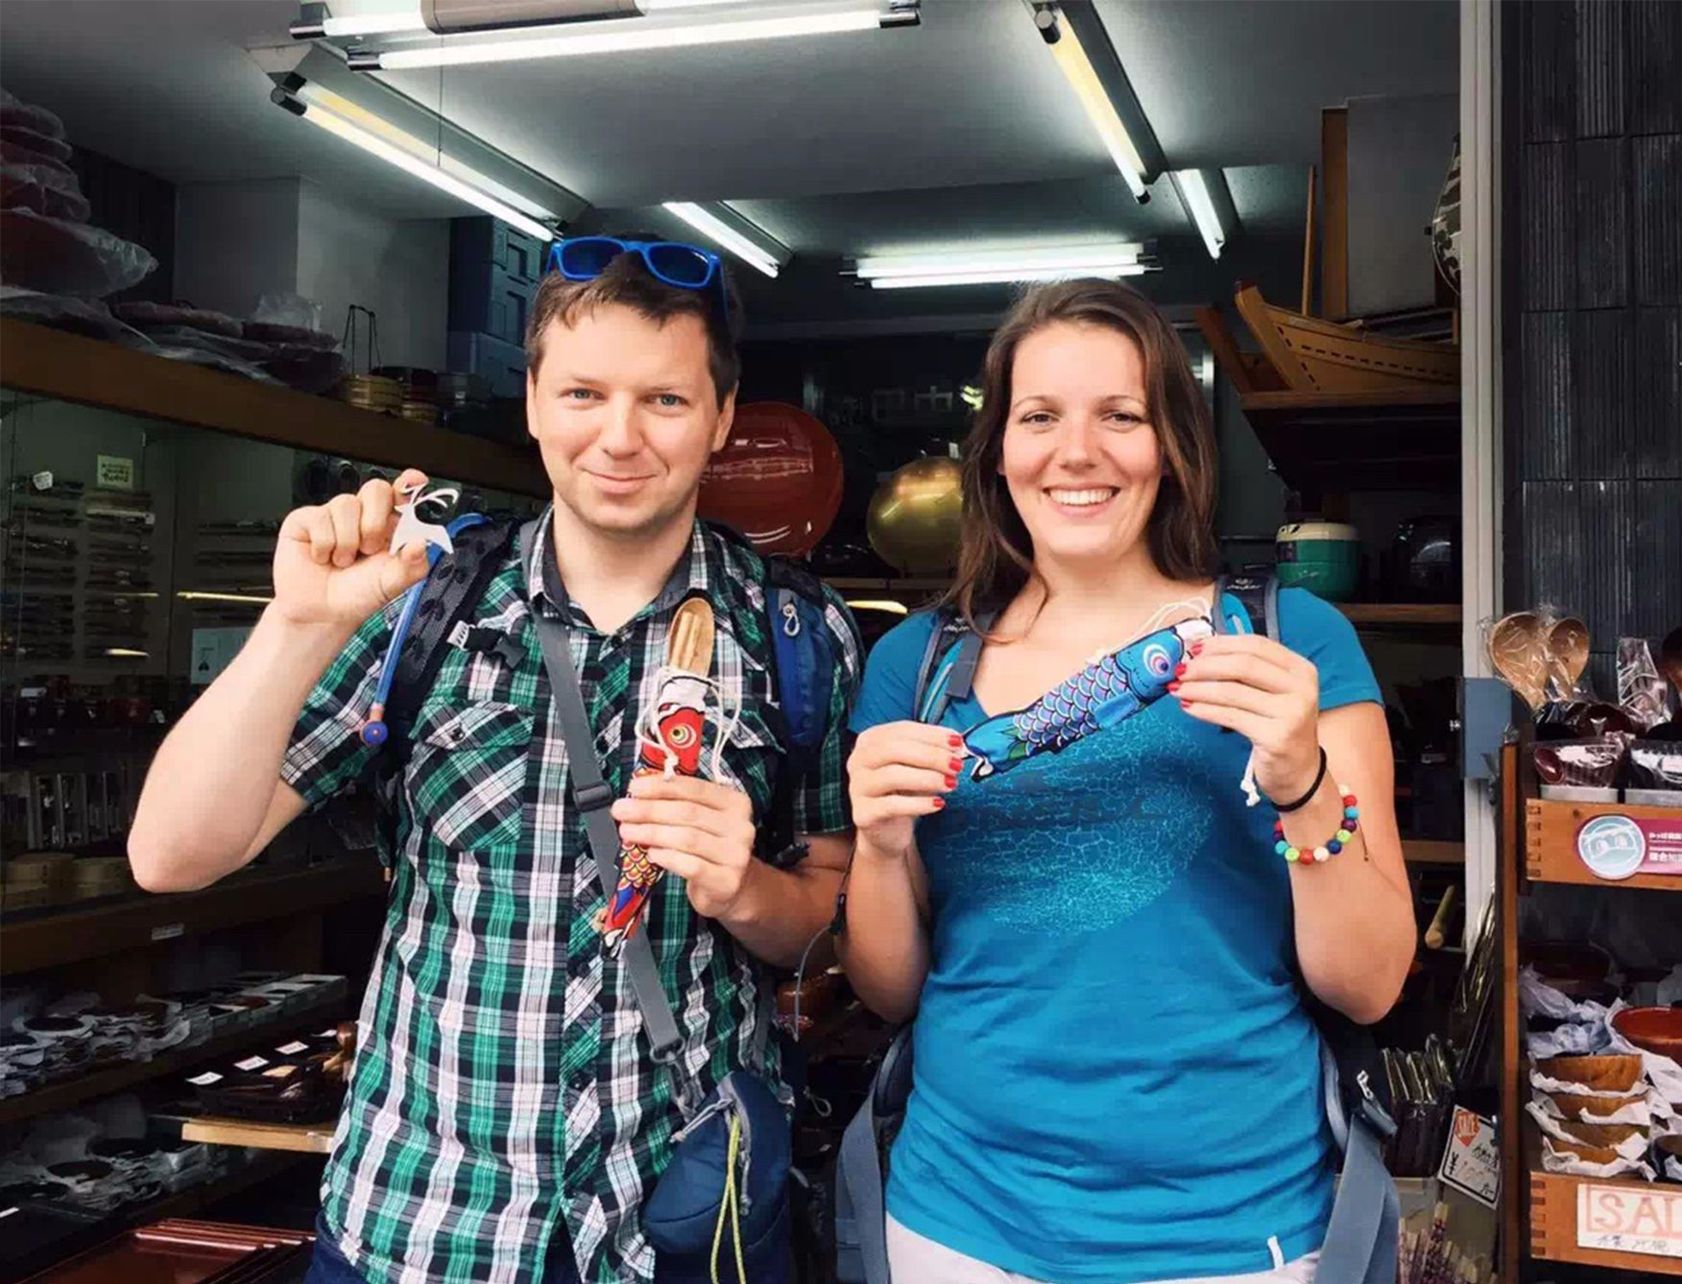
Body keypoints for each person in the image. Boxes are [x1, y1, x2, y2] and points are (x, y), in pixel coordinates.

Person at [127, 241, 861, 1284]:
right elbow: (171, 857)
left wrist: (745, 890)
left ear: (721, 418)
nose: (619, 436)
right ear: (533, 403)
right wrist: (298, 626)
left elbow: (830, 926)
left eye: (664, 399)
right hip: (424, 1221)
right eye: (583, 393)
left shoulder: (795, 635)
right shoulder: (420, 604)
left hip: (684, 1224)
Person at [838, 279, 1416, 1283]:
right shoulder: (917, 666)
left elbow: (1369, 986)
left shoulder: (1290, 641)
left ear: (1172, 446)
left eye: (1120, 415)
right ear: (997, 451)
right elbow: (889, 991)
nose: (1077, 452)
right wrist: (880, 849)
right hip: (955, 1220)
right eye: (1039, 417)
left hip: (1233, 1231)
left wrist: (1302, 784)